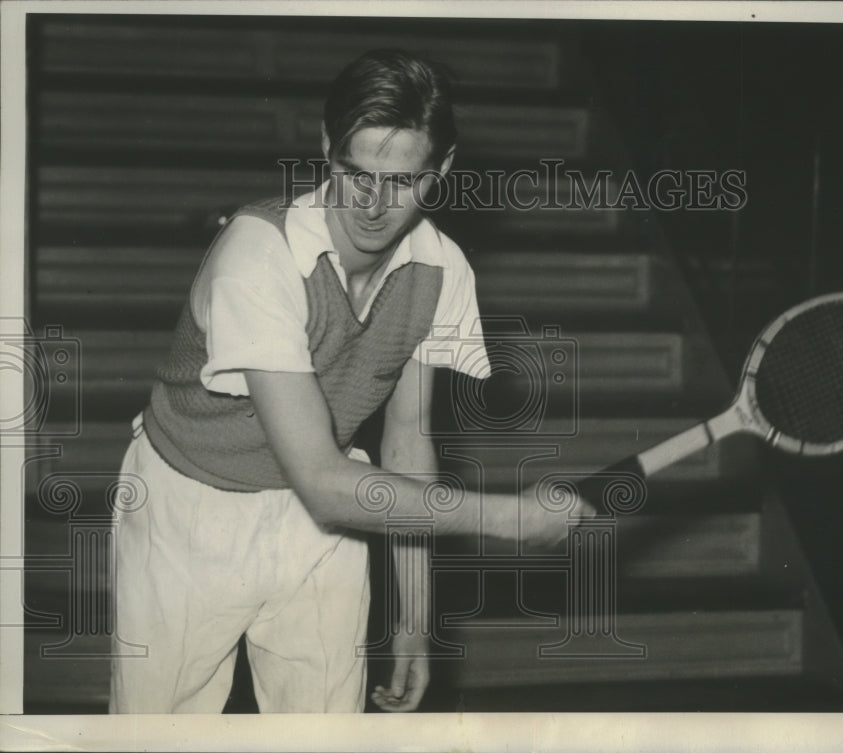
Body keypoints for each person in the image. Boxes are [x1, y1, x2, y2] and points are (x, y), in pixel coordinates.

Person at [109, 49, 591, 714]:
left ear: (442, 170)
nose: (371, 204)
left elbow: (407, 447)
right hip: (193, 509)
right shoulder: (259, 255)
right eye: (354, 173)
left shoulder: (441, 269)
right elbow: (322, 482)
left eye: (402, 181)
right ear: (326, 148)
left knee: (328, 734)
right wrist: (508, 516)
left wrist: (414, 619)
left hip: (327, 521)